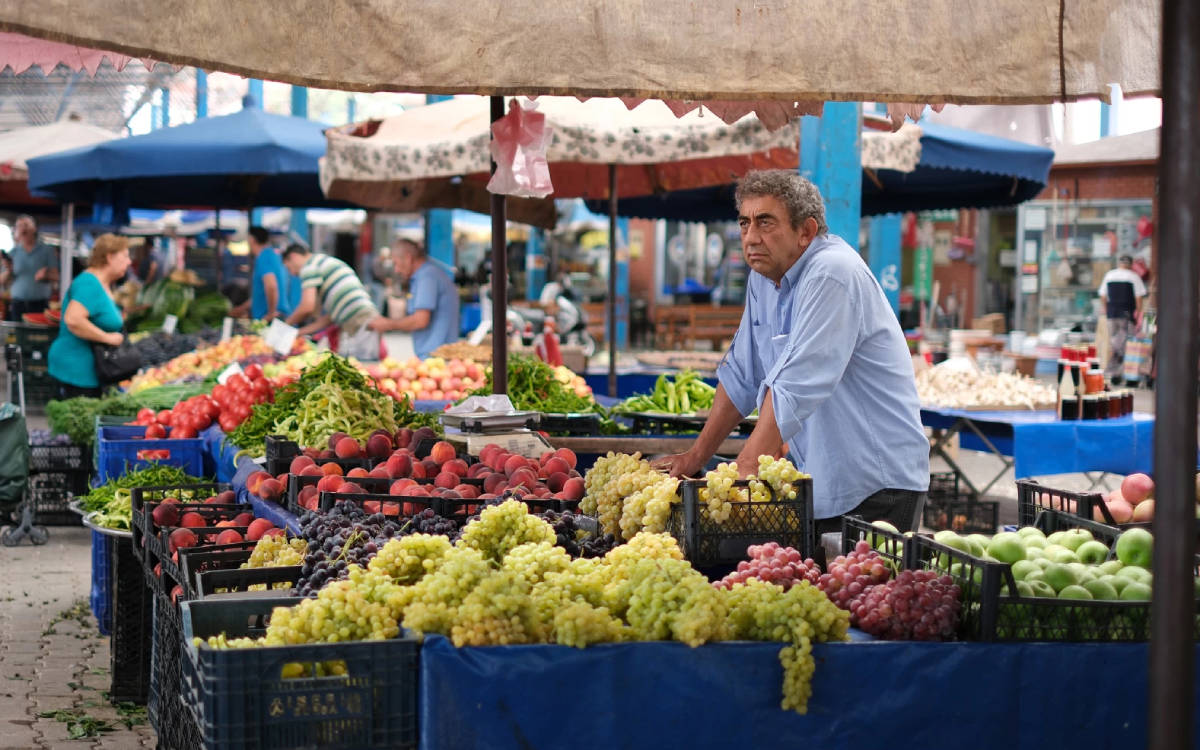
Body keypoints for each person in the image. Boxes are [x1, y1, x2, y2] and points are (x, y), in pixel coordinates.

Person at [652, 170, 930, 534]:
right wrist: (696, 457)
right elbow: (742, 374)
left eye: (765, 222)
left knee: (854, 591)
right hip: (820, 480)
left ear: (806, 232)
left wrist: (746, 468)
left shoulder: (833, 272)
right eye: (744, 223)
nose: (751, 237)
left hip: (876, 485)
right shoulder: (763, 279)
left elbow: (798, 380)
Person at [47, 234, 130, 398]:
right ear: (110, 257)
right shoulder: (89, 283)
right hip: (77, 369)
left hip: (89, 369)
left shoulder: (102, 283)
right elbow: (73, 319)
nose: (129, 262)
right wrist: (107, 338)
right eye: (125, 256)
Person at [281, 244, 381, 360]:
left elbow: (307, 306)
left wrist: (285, 326)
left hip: (360, 321)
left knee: (363, 367)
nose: (292, 274)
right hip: (363, 319)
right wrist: (298, 332)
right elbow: (329, 318)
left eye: (289, 268)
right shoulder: (321, 262)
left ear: (294, 257)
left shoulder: (309, 267)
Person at [369, 238, 460, 359]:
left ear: (408, 258)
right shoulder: (426, 275)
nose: (396, 270)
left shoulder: (427, 277)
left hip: (436, 359)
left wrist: (387, 324)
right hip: (435, 357)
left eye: (396, 263)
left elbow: (420, 320)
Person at [1098, 254, 1147, 383]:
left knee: (1115, 344)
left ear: (1119, 263)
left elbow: (1103, 295)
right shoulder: (1133, 276)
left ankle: (1115, 375)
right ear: (1130, 265)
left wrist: (1106, 308)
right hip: (1126, 315)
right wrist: (1138, 312)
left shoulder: (1109, 275)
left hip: (1112, 315)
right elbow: (1139, 297)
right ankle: (1126, 376)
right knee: (1126, 345)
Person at [230, 226, 292, 321]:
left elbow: (271, 286)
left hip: (272, 318)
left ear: (252, 239)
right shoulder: (271, 255)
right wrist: (241, 309)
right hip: (274, 316)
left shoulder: (264, 256)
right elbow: (259, 295)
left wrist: (271, 314)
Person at [3, 215, 59, 321]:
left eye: (26, 225)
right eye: (19, 226)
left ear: (34, 228)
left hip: (40, 304)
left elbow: (56, 276)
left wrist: (46, 275)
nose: (23, 228)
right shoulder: (13, 253)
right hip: (17, 304)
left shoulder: (47, 250)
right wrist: (9, 270)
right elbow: (2, 281)